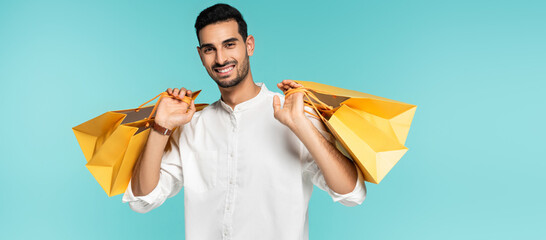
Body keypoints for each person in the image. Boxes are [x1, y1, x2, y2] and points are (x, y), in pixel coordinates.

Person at [123, 3, 366, 240]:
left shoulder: (293, 115)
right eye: (210, 49)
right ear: (200, 55)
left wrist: (302, 126)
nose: (220, 58)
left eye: (229, 45)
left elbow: (351, 193)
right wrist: (160, 127)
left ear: (249, 45)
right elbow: (142, 200)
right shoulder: (192, 126)